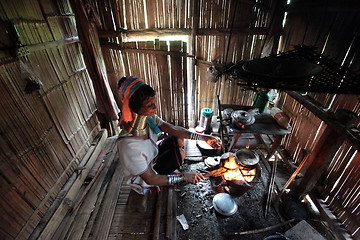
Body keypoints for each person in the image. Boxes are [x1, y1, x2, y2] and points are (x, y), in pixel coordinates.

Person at [117, 76, 222, 195]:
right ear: (133, 108)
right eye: (149, 105)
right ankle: (170, 174)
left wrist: (204, 138)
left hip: (153, 155)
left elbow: (173, 129)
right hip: (145, 177)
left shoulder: (148, 119)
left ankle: (171, 170)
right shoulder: (129, 146)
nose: (155, 107)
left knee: (179, 140)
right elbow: (150, 178)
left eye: (154, 102)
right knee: (181, 153)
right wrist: (184, 177)